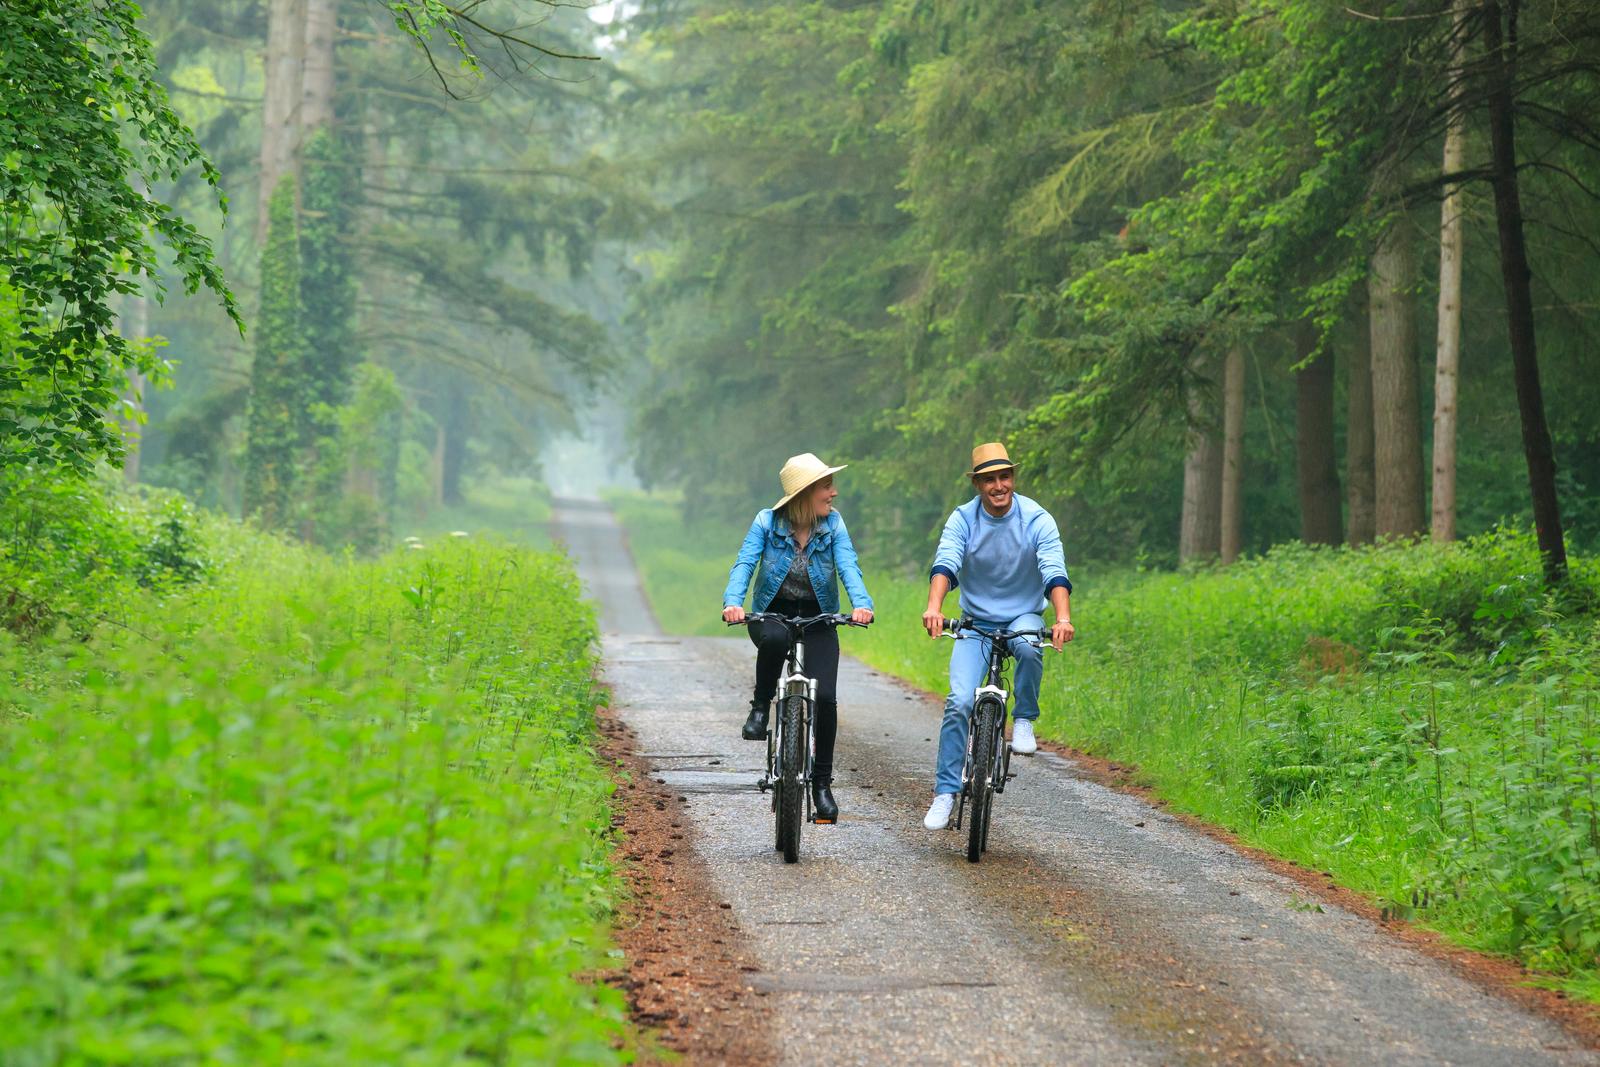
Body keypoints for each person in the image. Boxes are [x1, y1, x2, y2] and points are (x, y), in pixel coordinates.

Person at [920, 443, 1074, 831]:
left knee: (1028, 646)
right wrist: (935, 608)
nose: (999, 485)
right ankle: (945, 792)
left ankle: (1023, 719)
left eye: (1004, 476)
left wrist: (1062, 617)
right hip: (976, 622)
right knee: (957, 701)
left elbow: (1053, 569)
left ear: (1013, 479)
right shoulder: (963, 519)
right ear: (977, 484)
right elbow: (946, 562)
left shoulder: (1037, 518)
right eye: (989, 479)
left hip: (1022, 614)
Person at [723, 453, 874, 824]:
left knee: (824, 697)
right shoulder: (766, 522)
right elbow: (745, 563)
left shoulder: (833, 525)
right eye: (826, 487)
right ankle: (761, 707)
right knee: (774, 639)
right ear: (806, 493)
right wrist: (733, 602)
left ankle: (821, 785)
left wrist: (862, 605)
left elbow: (848, 565)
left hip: (818, 614)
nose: (833, 493)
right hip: (772, 611)